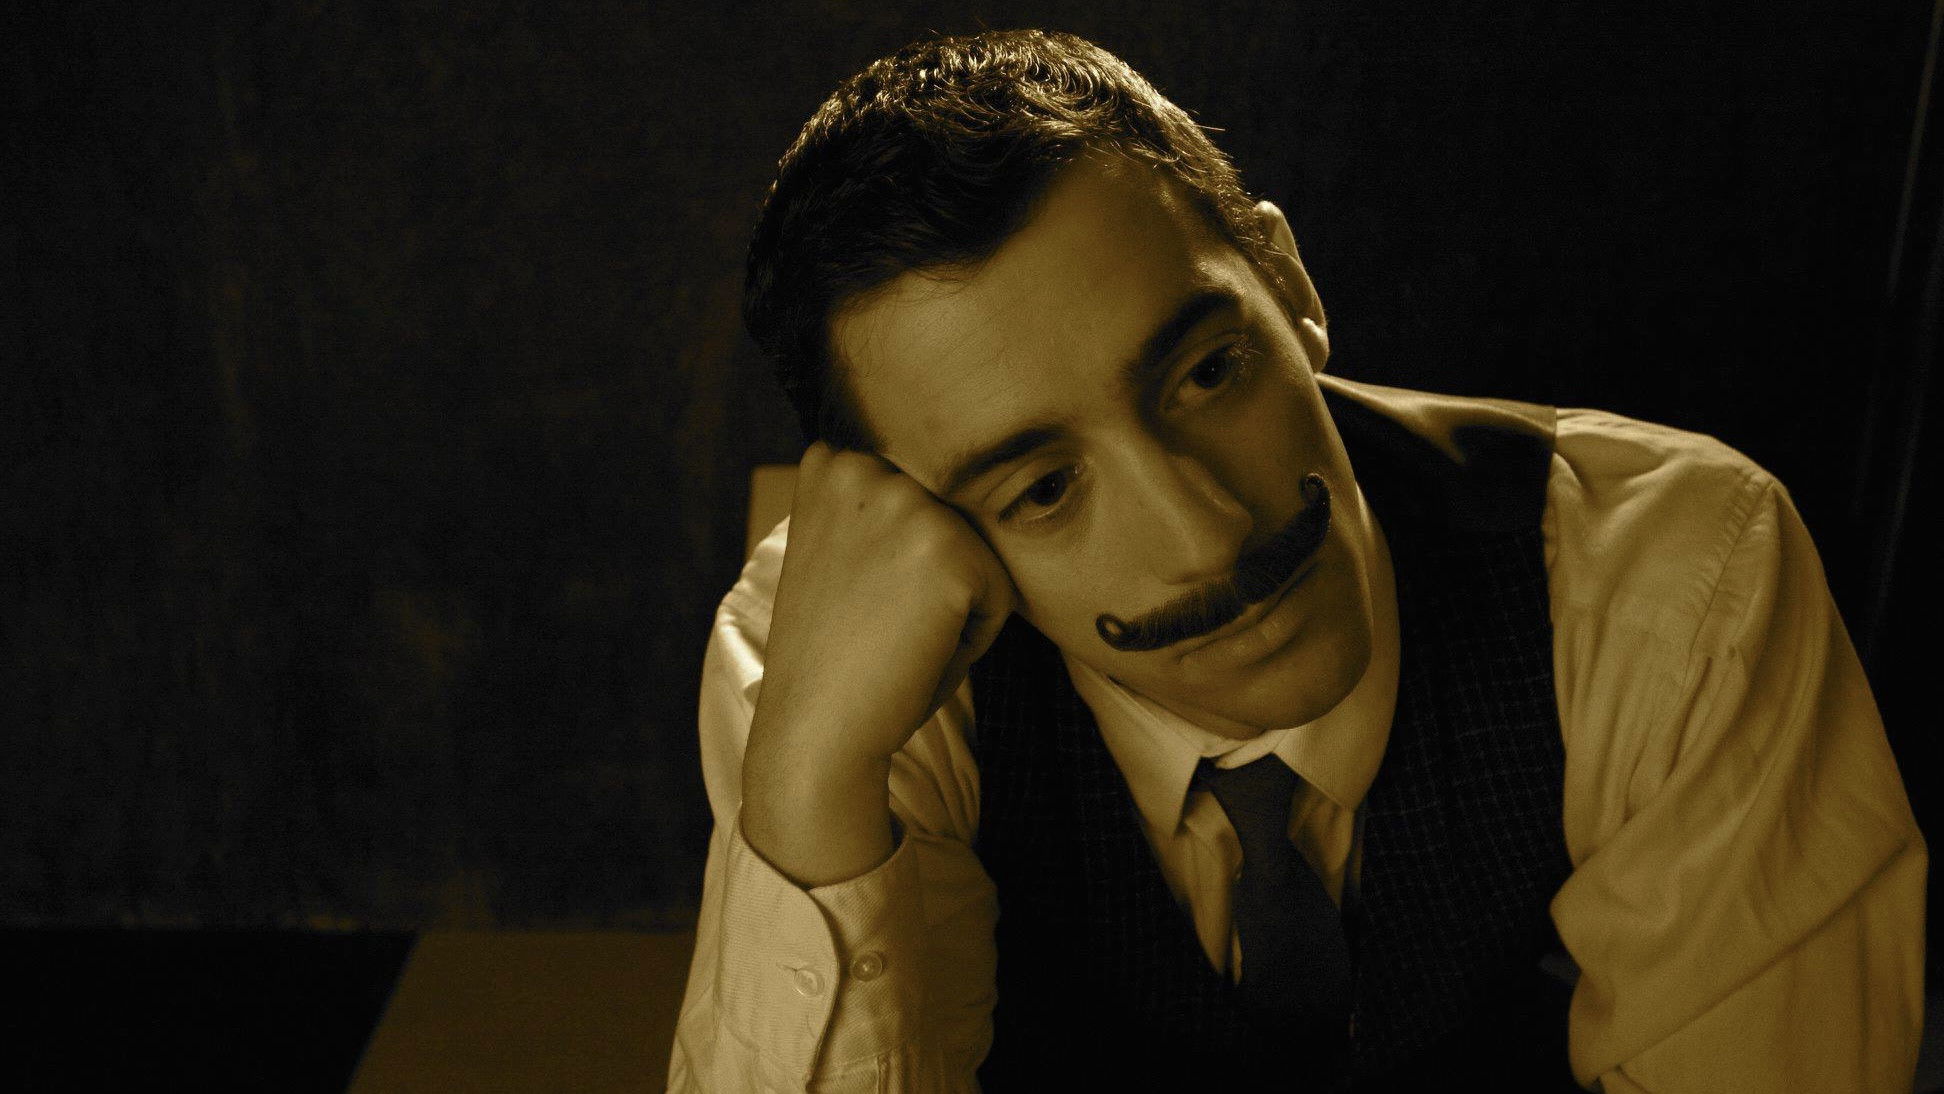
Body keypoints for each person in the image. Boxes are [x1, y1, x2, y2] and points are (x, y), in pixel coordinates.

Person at [668, 28, 1926, 1092]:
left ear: (1287, 281)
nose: (1205, 532)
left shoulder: (1671, 580)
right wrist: (811, 786)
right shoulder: (834, 680)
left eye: (1209, 372)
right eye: (1044, 489)